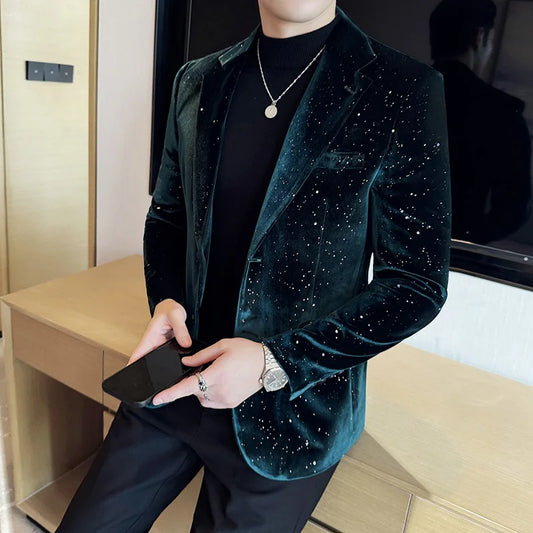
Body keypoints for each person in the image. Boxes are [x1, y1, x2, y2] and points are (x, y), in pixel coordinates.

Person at [58, 1, 451, 531]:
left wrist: (274, 361)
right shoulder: (197, 79)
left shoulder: (402, 88)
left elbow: (416, 284)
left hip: (293, 409)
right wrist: (166, 298)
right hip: (176, 372)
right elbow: (169, 215)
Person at [430, 0, 531, 244]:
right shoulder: (502, 112)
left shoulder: (400, 96)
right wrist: (468, 237)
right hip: (459, 254)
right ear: (480, 37)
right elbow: (515, 208)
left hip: (386, 249)